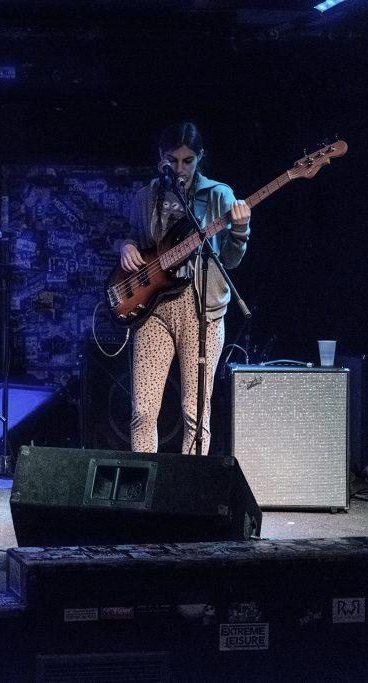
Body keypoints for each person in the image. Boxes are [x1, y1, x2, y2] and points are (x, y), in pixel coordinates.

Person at [119, 123, 250, 455]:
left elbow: (230, 262)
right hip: (154, 310)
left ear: (199, 158)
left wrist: (240, 230)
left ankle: (189, 498)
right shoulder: (145, 196)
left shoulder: (219, 195)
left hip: (201, 311)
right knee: (144, 412)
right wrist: (127, 246)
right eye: (172, 160)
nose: (180, 168)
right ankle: (141, 494)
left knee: (195, 413)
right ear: (160, 159)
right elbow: (135, 237)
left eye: (187, 161)